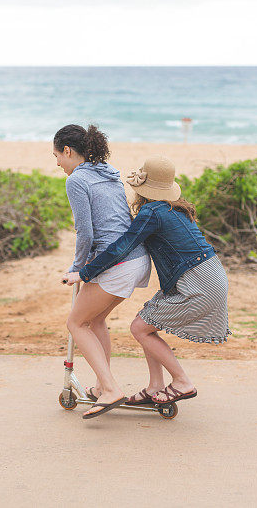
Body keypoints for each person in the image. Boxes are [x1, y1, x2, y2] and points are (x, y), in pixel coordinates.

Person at [64, 155, 230, 407]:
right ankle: (155, 386)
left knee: (140, 328)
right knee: (145, 324)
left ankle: (182, 381)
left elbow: (122, 247)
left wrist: (84, 273)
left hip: (197, 280)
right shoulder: (174, 208)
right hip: (209, 273)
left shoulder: (151, 212)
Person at [54, 124, 151, 419]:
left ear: (68, 151)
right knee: (95, 321)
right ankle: (100, 385)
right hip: (136, 259)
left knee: (76, 323)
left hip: (117, 264)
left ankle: (110, 388)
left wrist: (78, 269)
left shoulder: (77, 180)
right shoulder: (107, 171)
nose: (57, 163)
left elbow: (85, 232)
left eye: (56, 155)